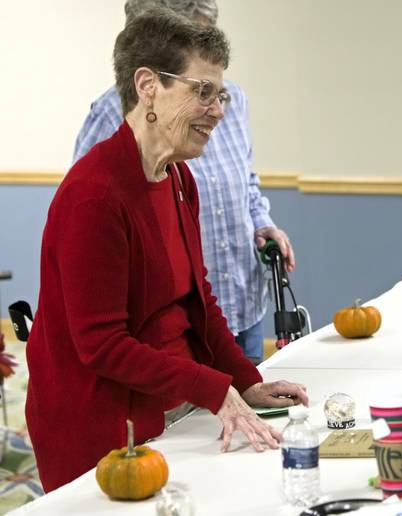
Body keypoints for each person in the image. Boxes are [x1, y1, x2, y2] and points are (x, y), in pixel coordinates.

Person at [26, 10, 308, 492]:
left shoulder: (178, 177)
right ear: (148, 86)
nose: (218, 109)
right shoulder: (95, 196)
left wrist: (244, 379)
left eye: (219, 94)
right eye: (202, 91)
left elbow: (199, 301)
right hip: (109, 429)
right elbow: (102, 345)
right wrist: (212, 388)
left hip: (174, 406)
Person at [73, 0, 294, 365]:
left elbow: (245, 180)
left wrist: (262, 223)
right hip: (172, 326)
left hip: (237, 298)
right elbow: (89, 228)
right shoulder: (110, 121)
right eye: (191, 40)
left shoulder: (227, 107)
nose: (216, 108)